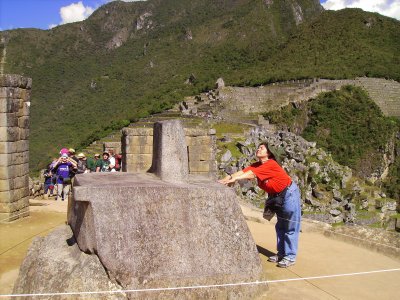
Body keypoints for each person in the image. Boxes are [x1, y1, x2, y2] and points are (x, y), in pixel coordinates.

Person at [218, 142, 301, 268]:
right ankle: (282, 253)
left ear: (269, 153)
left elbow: (252, 174)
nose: (258, 149)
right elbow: (243, 172)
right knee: (280, 226)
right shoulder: (257, 165)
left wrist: (235, 180)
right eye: (258, 147)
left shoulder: (271, 164)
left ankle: (290, 256)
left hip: (289, 194)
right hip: (276, 196)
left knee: (290, 225)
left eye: (261, 148)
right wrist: (227, 179)